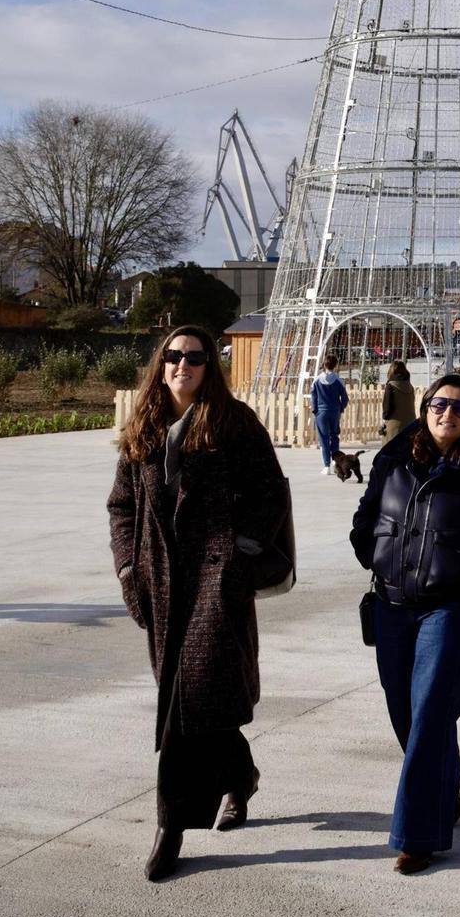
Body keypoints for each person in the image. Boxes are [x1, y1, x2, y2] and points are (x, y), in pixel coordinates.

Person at [107, 325, 290, 881]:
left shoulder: (235, 425)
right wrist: (127, 566)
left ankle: (171, 827)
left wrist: (240, 553)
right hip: (161, 586)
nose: (182, 365)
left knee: (188, 702)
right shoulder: (144, 427)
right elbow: (121, 506)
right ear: (160, 365)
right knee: (193, 699)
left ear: (211, 366)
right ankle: (241, 774)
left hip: (215, 581)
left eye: (194, 357)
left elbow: (269, 495)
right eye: (172, 356)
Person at [351, 373, 460, 874]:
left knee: (429, 713)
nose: (448, 413)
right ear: (425, 408)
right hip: (390, 606)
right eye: (440, 404)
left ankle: (416, 836)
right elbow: (366, 519)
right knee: (406, 717)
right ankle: (445, 790)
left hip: (444, 609)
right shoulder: (391, 462)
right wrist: (375, 553)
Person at [311, 352, 349, 473]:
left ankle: (326, 466)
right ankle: (335, 461)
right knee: (335, 436)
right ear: (335, 365)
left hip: (321, 412)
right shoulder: (338, 380)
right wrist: (340, 408)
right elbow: (345, 398)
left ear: (324, 364)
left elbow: (313, 396)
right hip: (334, 412)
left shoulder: (317, 380)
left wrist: (315, 409)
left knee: (324, 438)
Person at [381, 359, 416, 441]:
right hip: (410, 425)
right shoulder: (410, 386)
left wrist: (385, 419)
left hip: (394, 428)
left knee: (390, 452)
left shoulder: (391, 386)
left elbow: (387, 409)